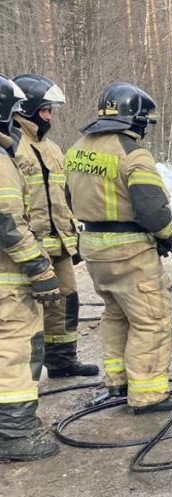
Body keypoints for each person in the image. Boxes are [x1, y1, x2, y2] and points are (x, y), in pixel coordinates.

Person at [65, 82, 172, 413]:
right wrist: (167, 235)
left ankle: (117, 384)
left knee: (116, 314)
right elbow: (154, 211)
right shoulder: (133, 155)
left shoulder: (77, 149)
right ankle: (148, 394)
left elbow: (69, 199)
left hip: (94, 247)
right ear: (136, 118)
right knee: (151, 317)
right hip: (130, 251)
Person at [13, 74, 98, 378]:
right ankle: (26, 378)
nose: (50, 116)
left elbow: (63, 197)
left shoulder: (52, 149)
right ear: (27, 108)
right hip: (30, 247)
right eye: (45, 110)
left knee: (66, 300)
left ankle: (62, 361)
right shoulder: (12, 147)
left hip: (59, 242)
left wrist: (73, 237)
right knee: (32, 310)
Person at [0, 75, 62, 462]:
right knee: (13, 348)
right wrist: (40, 269)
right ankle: (14, 434)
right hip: (8, 281)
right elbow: (7, 223)